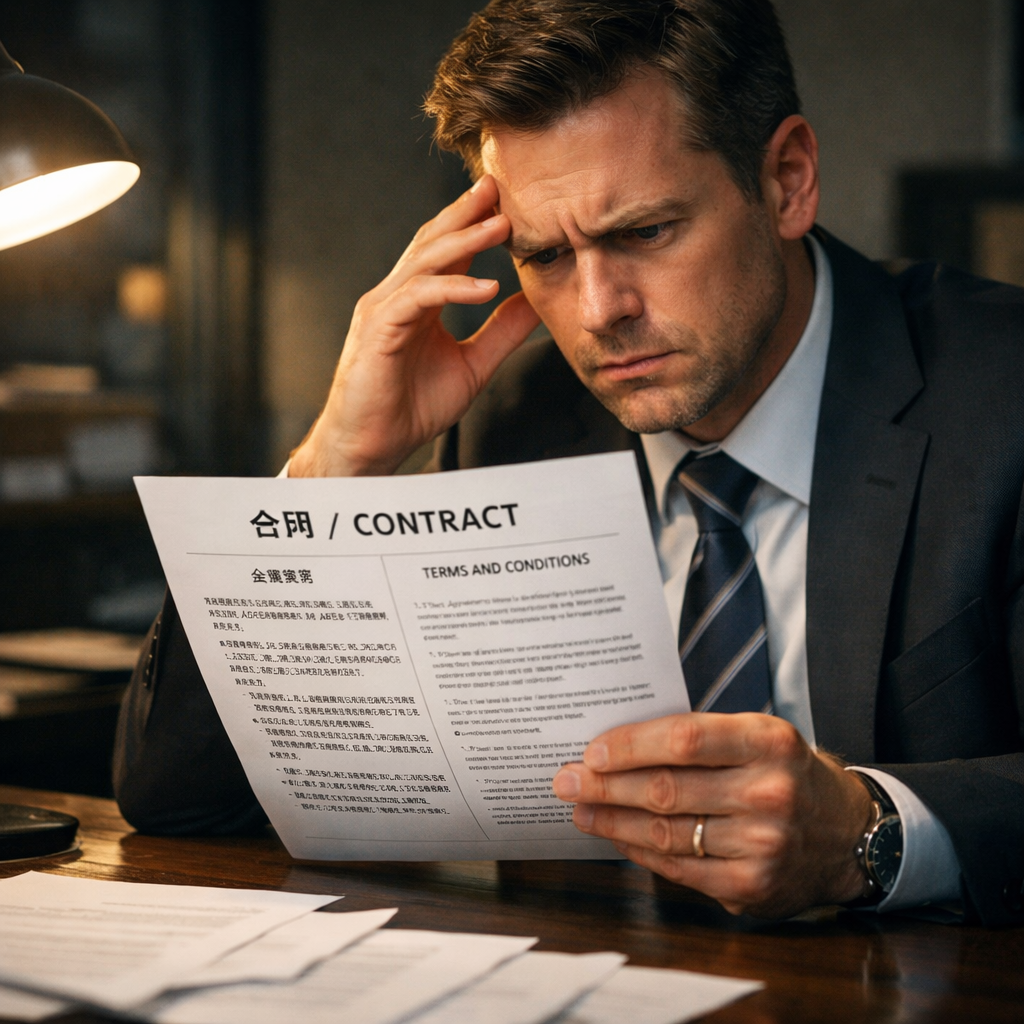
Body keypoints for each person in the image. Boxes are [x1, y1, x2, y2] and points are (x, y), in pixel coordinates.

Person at [114, 0, 1024, 926]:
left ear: (787, 179)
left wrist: (871, 833)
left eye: (645, 232)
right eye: (544, 255)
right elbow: (183, 800)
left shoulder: (1002, 398)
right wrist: (334, 464)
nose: (597, 311)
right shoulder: (514, 420)